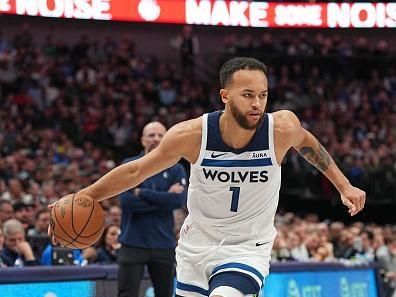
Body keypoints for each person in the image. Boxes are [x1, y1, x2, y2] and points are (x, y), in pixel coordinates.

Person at [49, 57, 365, 297]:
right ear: (225, 95)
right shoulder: (192, 134)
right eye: (247, 95)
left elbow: (309, 144)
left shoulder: (280, 129)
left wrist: (344, 185)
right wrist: (88, 194)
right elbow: (136, 170)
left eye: (263, 95)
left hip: (247, 246)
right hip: (196, 243)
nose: (257, 104)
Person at [118, 121, 187, 297]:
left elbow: (178, 201)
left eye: (160, 135)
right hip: (132, 241)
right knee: (127, 294)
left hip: (163, 243)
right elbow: (126, 201)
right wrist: (165, 196)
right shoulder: (129, 164)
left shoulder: (176, 168)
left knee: (165, 294)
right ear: (142, 140)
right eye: (151, 135)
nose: (156, 139)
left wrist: (141, 192)